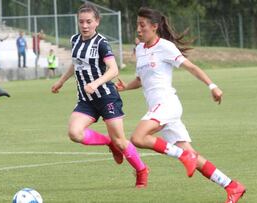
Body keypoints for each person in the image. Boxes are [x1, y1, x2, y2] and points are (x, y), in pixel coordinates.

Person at [115, 7, 246, 203]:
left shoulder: (165, 47)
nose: (139, 30)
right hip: (160, 109)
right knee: (192, 154)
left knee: (138, 137)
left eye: (142, 26)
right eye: (137, 25)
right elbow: (142, 80)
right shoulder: (140, 49)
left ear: (154, 27)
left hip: (167, 104)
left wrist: (212, 86)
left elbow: (191, 67)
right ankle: (232, 186)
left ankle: (185, 156)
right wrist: (125, 87)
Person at [51, 3, 149, 188]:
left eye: (89, 21)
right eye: (81, 22)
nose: (85, 25)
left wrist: (95, 83)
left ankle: (142, 170)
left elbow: (113, 70)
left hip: (106, 98)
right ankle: (109, 143)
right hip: (86, 100)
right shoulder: (75, 40)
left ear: (97, 22)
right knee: (74, 133)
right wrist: (61, 81)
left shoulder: (101, 43)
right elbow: (75, 63)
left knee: (121, 141)